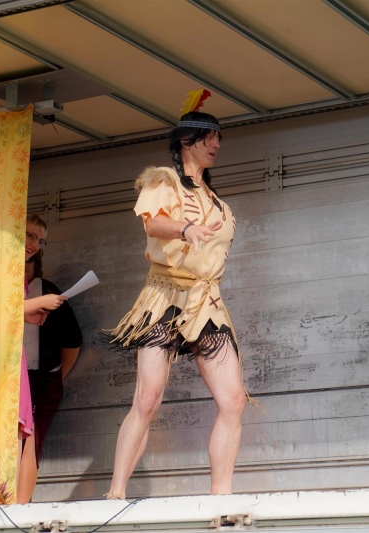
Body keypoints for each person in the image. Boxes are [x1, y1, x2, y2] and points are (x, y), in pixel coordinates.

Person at [107, 111, 247, 499]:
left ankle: (221, 497)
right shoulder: (164, 180)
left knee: (233, 400)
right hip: (165, 295)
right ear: (186, 141)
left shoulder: (216, 202)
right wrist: (186, 229)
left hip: (207, 301)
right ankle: (116, 492)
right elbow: (152, 223)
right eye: (208, 137)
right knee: (147, 397)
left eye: (218, 137)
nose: (216, 144)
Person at [18, 214, 68, 503]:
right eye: (30, 235)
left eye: (40, 240)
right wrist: (39, 303)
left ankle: (19, 507)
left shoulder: (26, 276)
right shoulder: (3, 267)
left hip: (24, 367)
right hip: (8, 365)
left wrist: (30, 314)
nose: (35, 244)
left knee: (27, 435)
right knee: (23, 434)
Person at [23, 246, 82, 473]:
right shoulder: (0, 291)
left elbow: (72, 340)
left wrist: (56, 376)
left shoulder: (47, 291)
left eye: (28, 263)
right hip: (9, 380)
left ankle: (20, 494)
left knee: (30, 444)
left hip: (41, 380)